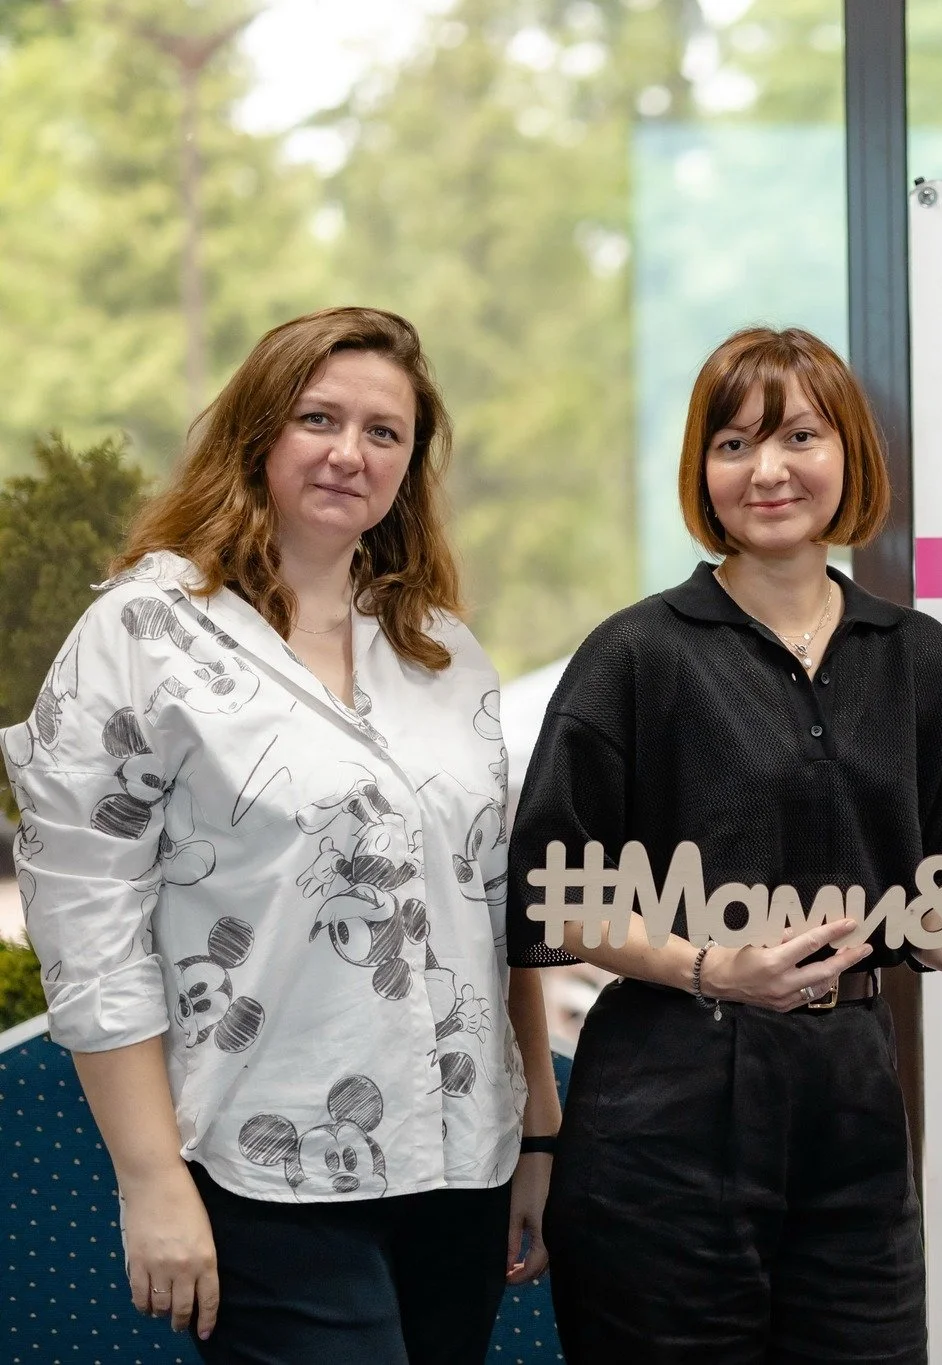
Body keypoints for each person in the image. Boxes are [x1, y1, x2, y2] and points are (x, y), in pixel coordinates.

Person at [507, 325, 942, 1364]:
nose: (767, 470)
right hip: (665, 1106)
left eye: (799, 437)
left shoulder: (915, 655)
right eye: (733, 445)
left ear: (849, 453)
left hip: (852, 1101)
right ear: (703, 471)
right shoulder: (636, 653)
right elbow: (552, 892)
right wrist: (712, 966)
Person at [1, 307, 561, 1362]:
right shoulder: (143, 632)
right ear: (257, 432)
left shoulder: (443, 650)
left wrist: (537, 1127)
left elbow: (495, 905)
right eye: (319, 418)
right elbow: (87, 925)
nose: (351, 453)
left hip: (462, 1163)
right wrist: (151, 1179)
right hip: (264, 1165)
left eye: (385, 432)